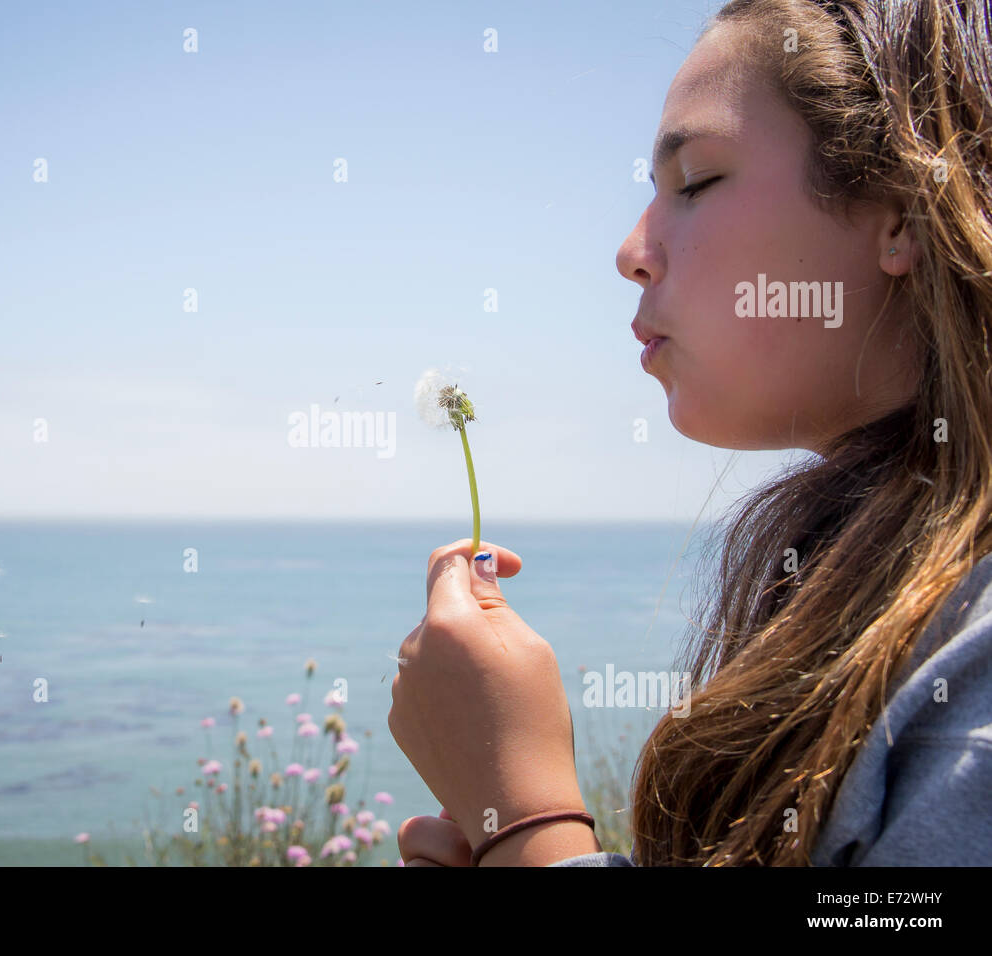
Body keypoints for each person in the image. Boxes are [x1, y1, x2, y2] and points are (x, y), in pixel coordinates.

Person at [388, 0, 992, 866]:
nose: (632, 249)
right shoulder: (876, 592)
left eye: (697, 180)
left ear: (898, 212)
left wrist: (525, 824)